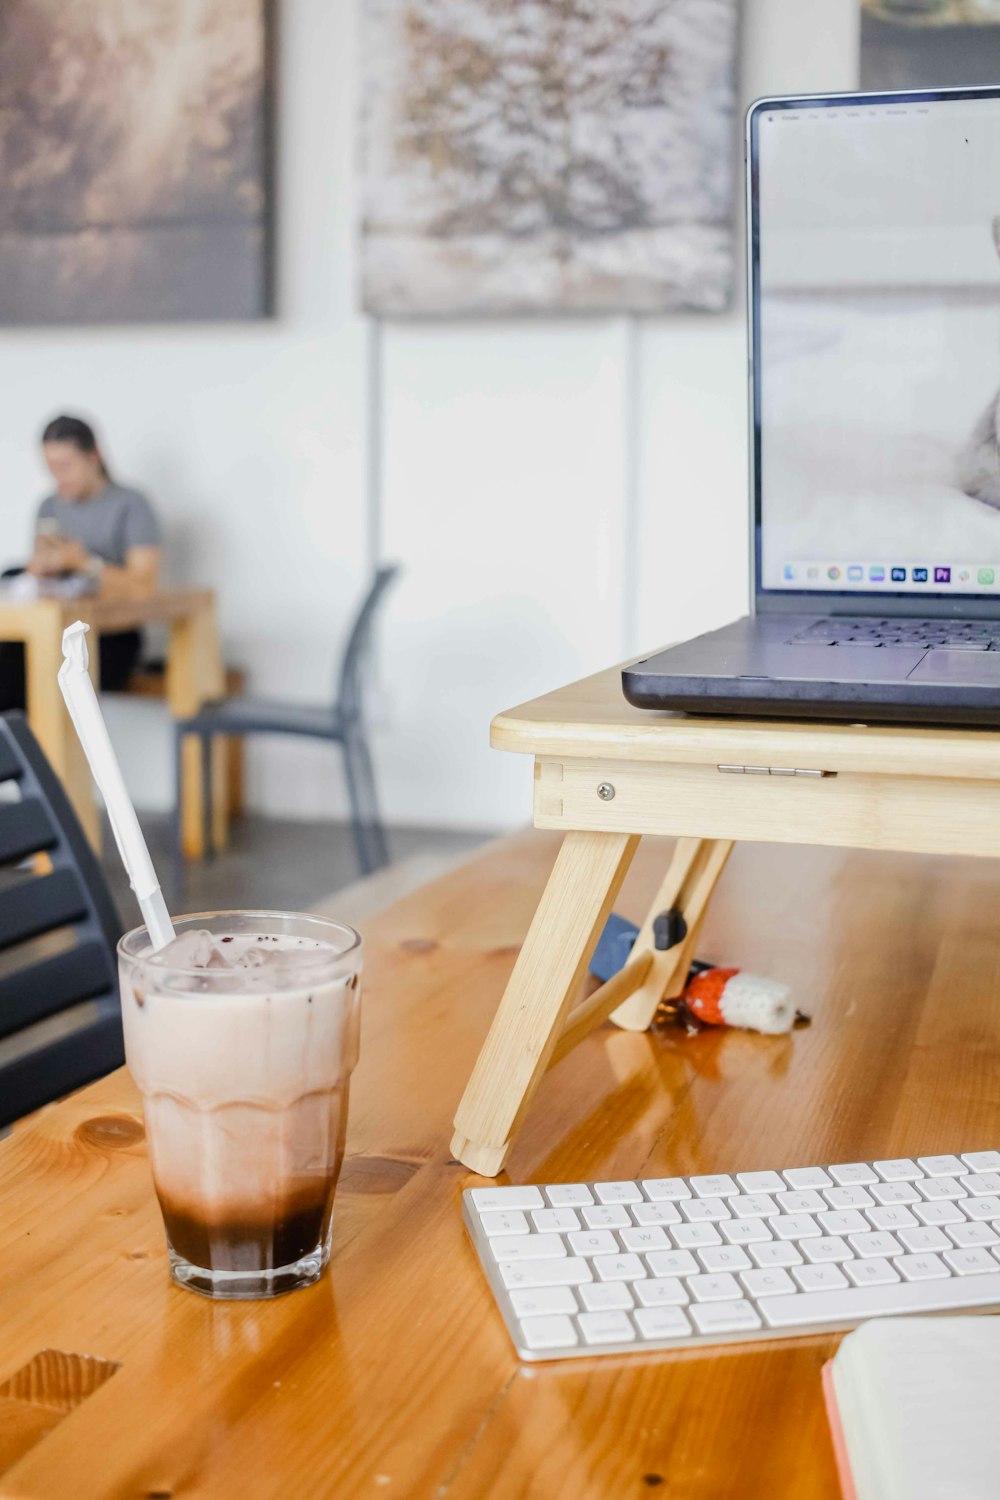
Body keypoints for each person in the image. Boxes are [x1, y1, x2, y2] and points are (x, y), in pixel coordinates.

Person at [0, 415, 163, 710]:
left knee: (17, 676)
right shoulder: (49, 506)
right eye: (51, 468)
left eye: (66, 466)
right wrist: (38, 570)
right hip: (51, 629)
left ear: (94, 456)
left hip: (109, 637)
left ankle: (28, 754)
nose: (59, 477)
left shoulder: (130, 504)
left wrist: (84, 562)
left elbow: (145, 584)